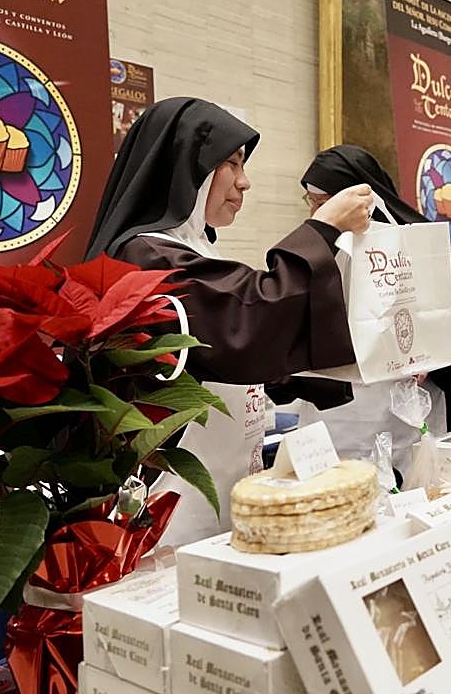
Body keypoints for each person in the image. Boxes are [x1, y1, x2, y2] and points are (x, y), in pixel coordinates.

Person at [85, 97, 374, 545]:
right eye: (232, 163)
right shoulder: (144, 254)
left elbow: (216, 353)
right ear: (186, 167)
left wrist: (303, 378)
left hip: (224, 481)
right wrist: (322, 230)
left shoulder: (196, 250)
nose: (245, 182)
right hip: (174, 498)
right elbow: (246, 321)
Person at [285, 145, 451, 472]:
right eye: (312, 204)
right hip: (334, 413)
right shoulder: (313, 252)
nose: (317, 214)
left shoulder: (410, 247)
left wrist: (433, 354)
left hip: (403, 408)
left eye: (325, 204)